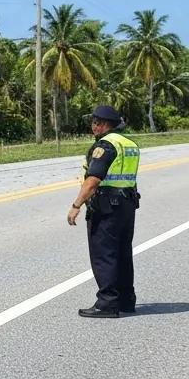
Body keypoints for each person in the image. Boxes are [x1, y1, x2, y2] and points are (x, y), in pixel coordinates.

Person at [65, 105, 140, 318]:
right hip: (127, 205)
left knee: (104, 254)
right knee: (122, 253)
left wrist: (76, 205)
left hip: (106, 206)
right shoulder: (130, 143)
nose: (93, 127)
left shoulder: (105, 145)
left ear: (104, 124)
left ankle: (107, 303)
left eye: (95, 123)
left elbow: (93, 180)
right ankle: (126, 300)